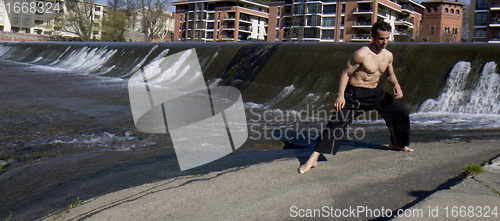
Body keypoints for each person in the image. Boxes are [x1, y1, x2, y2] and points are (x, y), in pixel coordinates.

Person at [298, 21, 413, 174]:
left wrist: (396, 86)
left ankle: (396, 144)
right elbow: (345, 73)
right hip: (356, 94)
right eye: (381, 38)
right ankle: (313, 158)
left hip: (376, 93)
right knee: (337, 122)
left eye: (387, 38)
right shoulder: (361, 54)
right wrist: (340, 96)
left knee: (401, 112)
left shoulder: (388, 55)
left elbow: (390, 75)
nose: (385, 42)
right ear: (372, 36)